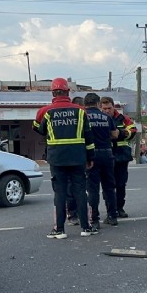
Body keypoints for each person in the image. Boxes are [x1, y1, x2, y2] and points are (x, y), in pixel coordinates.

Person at [33, 77, 97, 239]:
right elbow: (89, 138)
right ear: (68, 91)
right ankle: (86, 227)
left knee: (60, 193)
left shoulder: (46, 112)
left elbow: (39, 130)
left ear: (53, 92)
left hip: (57, 159)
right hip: (78, 157)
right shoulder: (81, 111)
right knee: (80, 192)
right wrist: (90, 157)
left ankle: (59, 230)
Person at [84, 93, 119, 228]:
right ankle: (112, 216)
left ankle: (94, 220)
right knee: (109, 187)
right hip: (107, 154)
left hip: (91, 156)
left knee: (92, 189)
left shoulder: (83, 116)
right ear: (98, 104)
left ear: (84, 104)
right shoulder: (106, 117)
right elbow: (115, 134)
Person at [100, 96, 137, 218]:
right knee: (108, 184)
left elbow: (133, 130)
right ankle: (111, 209)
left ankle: (120, 207)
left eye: (109, 108)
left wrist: (120, 134)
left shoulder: (123, 119)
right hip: (105, 156)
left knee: (121, 184)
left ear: (113, 106)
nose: (107, 111)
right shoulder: (99, 119)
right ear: (100, 107)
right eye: (104, 108)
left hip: (121, 155)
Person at [66, 96, 85, 225]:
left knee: (69, 188)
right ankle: (78, 215)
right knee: (78, 188)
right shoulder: (81, 116)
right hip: (78, 157)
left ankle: (73, 215)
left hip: (65, 157)